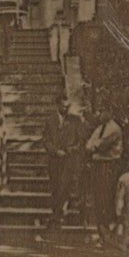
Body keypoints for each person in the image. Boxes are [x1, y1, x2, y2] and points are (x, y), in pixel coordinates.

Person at [43, 96, 82, 230]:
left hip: (68, 161)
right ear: (57, 105)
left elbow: (80, 142)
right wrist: (55, 151)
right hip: (54, 160)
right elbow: (46, 140)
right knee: (55, 187)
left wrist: (69, 150)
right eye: (63, 106)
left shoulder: (75, 121)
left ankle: (59, 216)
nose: (65, 109)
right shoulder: (50, 121)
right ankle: (56, 214)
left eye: (67, 106)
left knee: (64, 187)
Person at [84, 113, 123, 245]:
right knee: (98, 199)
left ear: (110, 111)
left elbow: (99, 145)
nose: (101, 114)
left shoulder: (114, 128)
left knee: (106, 197)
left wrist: (93, 146)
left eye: (104, 110)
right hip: (98, 165)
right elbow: (88, 145)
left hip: (109, 165)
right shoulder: (100, 128)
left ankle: (107, 233)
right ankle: (102, 233)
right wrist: (92, 146)